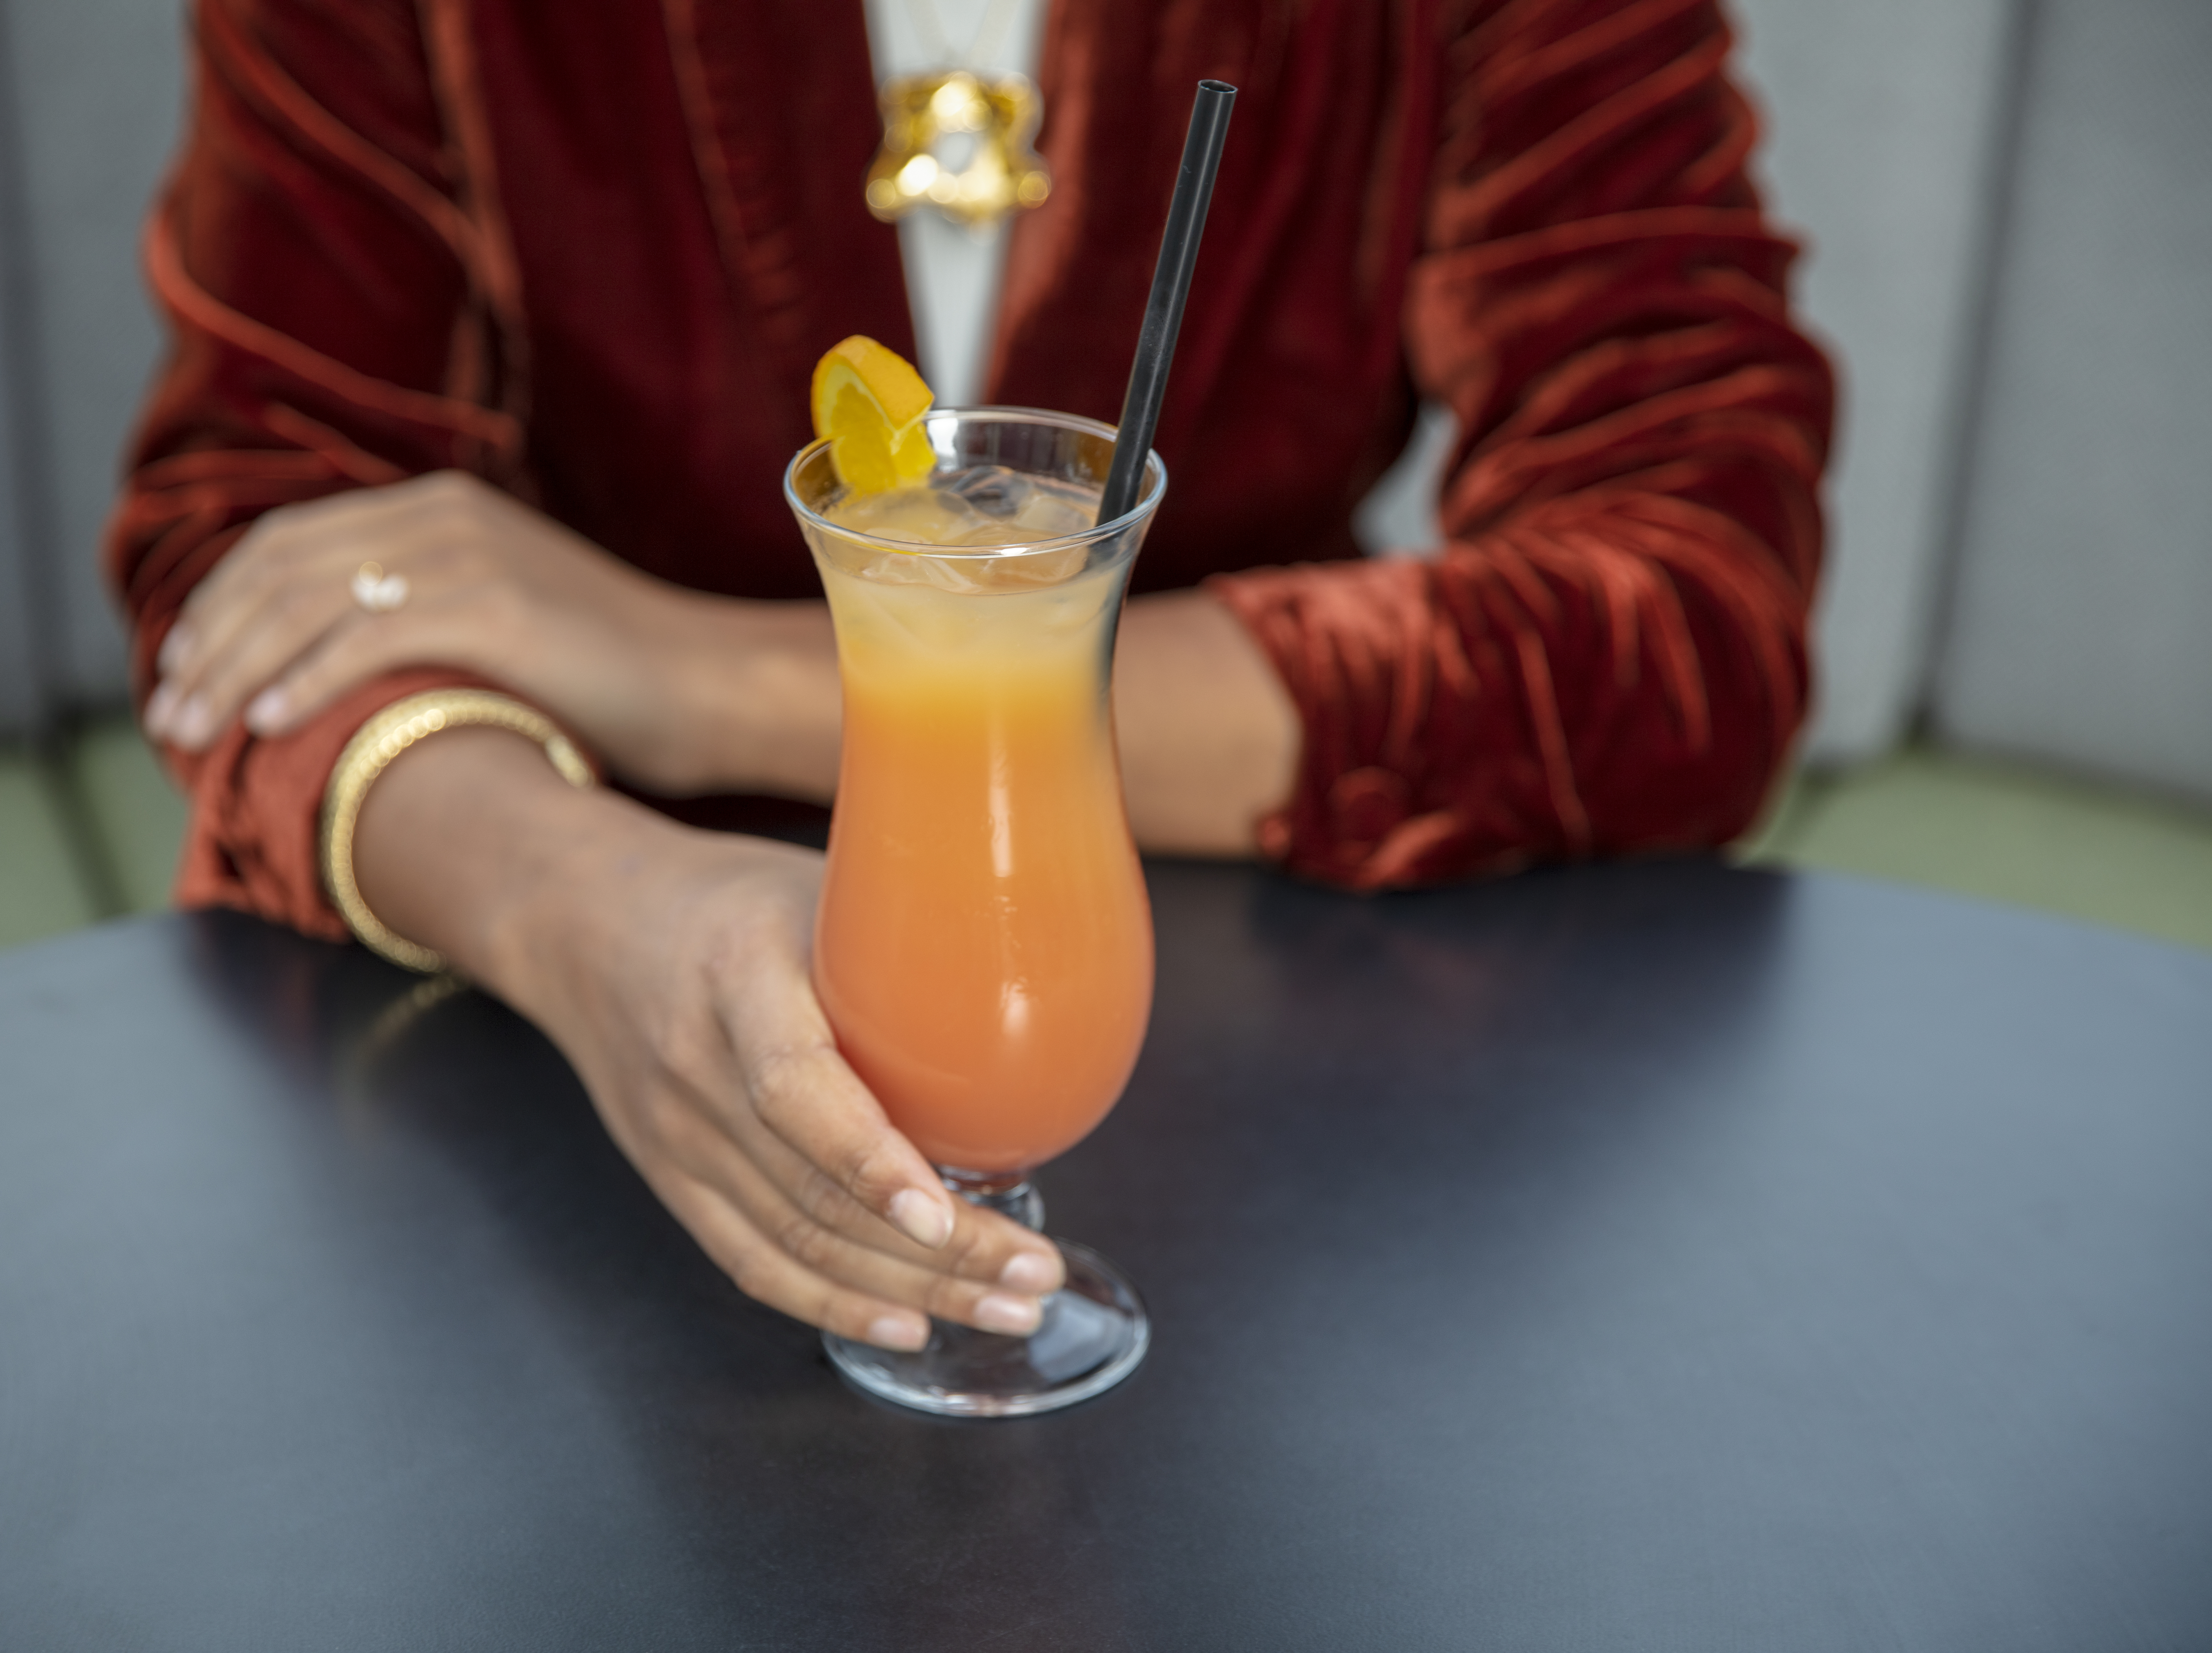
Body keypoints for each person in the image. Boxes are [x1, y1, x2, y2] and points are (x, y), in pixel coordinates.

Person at [111, 0, 1834, 1356]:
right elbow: (255, 563)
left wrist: (690, 672)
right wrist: (582, 904)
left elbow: (1692, 595)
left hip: (1297, 1085)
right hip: (518, 1101)